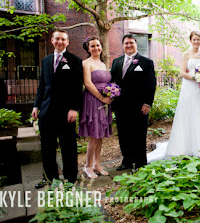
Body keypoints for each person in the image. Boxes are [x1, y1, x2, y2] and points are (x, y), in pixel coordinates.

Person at [147, 31, 200, 162]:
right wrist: (196, 77)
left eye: (198, 39)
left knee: (199, 114)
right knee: (186, 115)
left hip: (199, 90)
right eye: (194, 39)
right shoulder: (186, 54)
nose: (196, 42)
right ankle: (185, 146)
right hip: (189, 88)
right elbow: (182, 72)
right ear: (190, 40)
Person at [31, 30, 83, 189]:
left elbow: (77, 87)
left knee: (68, 147)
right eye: (57, 39)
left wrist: (74, 108)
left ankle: (70, 179)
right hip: (46, 112)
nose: (60, 41)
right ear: (52, 40)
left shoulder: (75, 61)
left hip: (66, 113)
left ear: (67, 42)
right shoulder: (45, 61)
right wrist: (36, 105)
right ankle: (50, 178)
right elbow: (42, 86)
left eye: (63, 39)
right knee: (47, 147)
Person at [111, 34, 156, 171]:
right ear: (123, 45)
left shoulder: (145, 62)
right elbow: (114, 82)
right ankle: (127, 161)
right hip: (121, 106)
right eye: (126, 43)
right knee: (124, 135)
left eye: (131, 43)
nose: (129, 45)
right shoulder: (116, 61)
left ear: (136, 44)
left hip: (139, 106)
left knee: (139, 135)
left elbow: (151, 84)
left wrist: (147, 103)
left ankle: (140, 163)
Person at [79, 37, 113, 178]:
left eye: (98, 45)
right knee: (94, 135)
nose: (96, 48)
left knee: (100, 135)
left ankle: (97, 164)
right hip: (93, 100)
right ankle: (87, 166)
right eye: (92, 46)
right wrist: (101, 98)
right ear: (88, 48)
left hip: (104, 102)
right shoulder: (86, 63)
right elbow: (87, 83)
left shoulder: (103, 64)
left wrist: (111, 93)